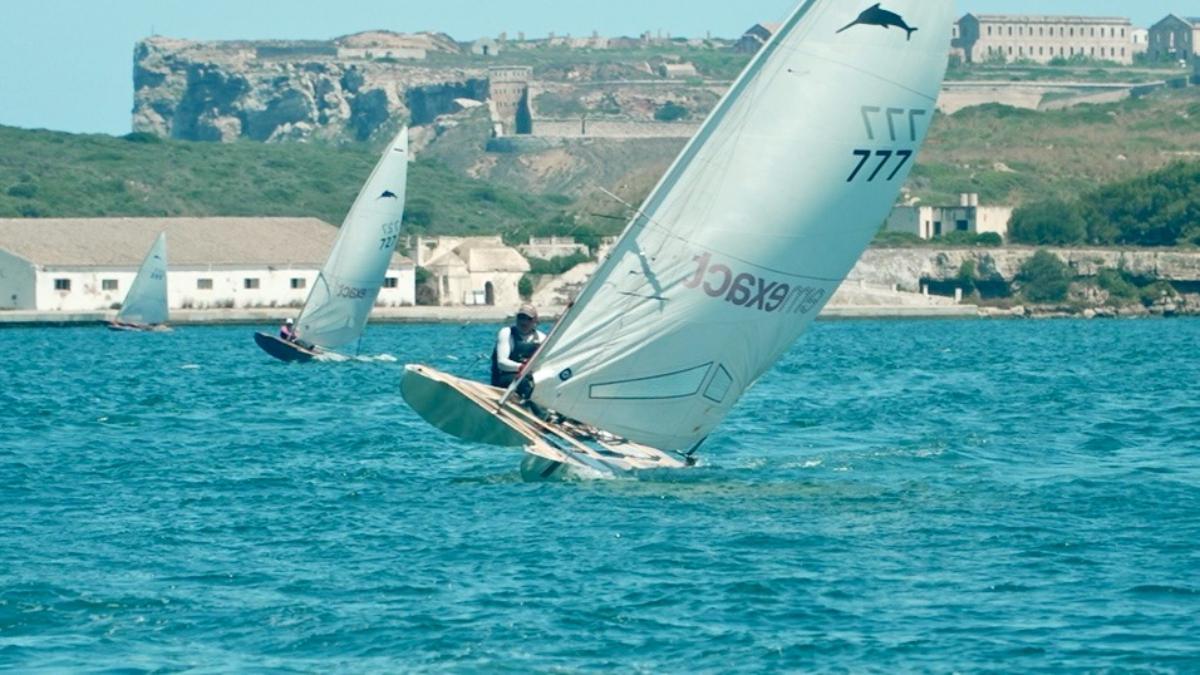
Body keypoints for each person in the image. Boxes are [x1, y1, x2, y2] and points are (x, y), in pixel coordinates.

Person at [491, 304, 547, 392]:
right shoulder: (506, 333)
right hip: (505, 378)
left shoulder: (542, 338)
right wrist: (521, 367)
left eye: (528, 319)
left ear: (535, 321)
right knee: (523, 382)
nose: (524, 322)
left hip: (529, 376)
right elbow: (501, 363)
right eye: (521, 317)